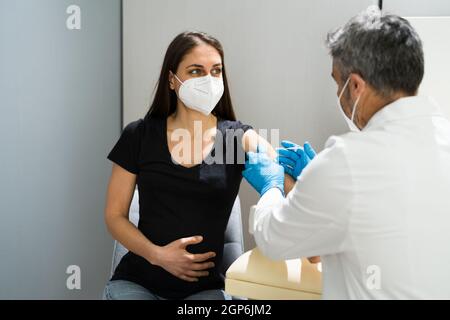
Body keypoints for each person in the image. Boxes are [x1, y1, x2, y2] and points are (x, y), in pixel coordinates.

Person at [242, 6, 450, 299]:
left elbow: (273, 240)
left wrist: (271, 187)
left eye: (337, 82)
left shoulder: (346, 163)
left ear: (355, 86)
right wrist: (314, 187)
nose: (338, 92)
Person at [103, 31, 293, 300]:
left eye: (216, 71)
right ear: (172, 79)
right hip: (139, 282)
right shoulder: (140, 136)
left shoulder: (236, 139)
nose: (209, 80)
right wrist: (158, 255)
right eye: (196, 71)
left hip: (204, 291)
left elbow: (289, 184)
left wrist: (306, 173)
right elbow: (114, 216)